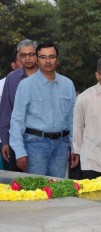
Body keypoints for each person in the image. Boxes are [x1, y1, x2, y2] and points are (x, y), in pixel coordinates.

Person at [9, 41, 76, 178]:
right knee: (36, 192)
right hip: (35, 146)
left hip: (61, 147)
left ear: (57, 59)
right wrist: (20, 151)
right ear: (37, 60)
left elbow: (72, 119)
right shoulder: (26, 85)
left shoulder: (67, 84)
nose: (48, 61)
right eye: (43, 57)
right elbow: (17, 120)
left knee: (57, 190)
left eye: (52, 57)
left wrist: (74, 147)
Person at [0, 39, 37, 172]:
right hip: (14, 140)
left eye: (31, 54)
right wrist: (5, 141)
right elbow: (6, 112)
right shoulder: (12, 79)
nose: (27, 58)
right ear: (19, 57)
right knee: (15, 185)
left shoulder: (47, 77)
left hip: (41, 141)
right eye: (23, 55)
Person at [0, 49, 23, 170]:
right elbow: (4, 114)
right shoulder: (2, 85)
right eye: (22, 58)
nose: (27, 61)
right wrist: (5, 141)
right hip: (7, 140)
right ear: (13, 65)